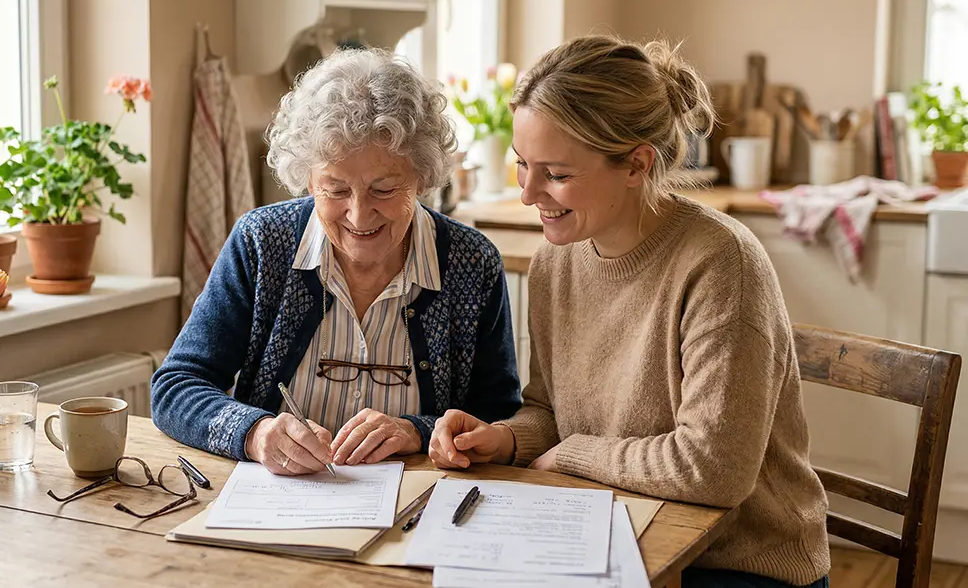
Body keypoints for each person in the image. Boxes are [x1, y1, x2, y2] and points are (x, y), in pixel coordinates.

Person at [428, 35, 831, 588]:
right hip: (618, 537)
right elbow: (552, 410)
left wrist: (572, 455)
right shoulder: (556, 260)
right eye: (522, 164)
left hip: (738, 566)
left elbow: (712, 471)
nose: (528, 193)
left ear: (637, 164)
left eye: (557, 173)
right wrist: (504, 439)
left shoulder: (722, 265)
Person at [151, 47, 522, 477]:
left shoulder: (471, 262)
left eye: (384, 190)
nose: (359, 216)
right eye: (335, 190)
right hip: (277, 504)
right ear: (307, 178)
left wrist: (418, 432)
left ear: (421, 177)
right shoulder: (262, 242)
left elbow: (497, 421)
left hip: (418, 508)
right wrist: (256, 432)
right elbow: (176, 387)